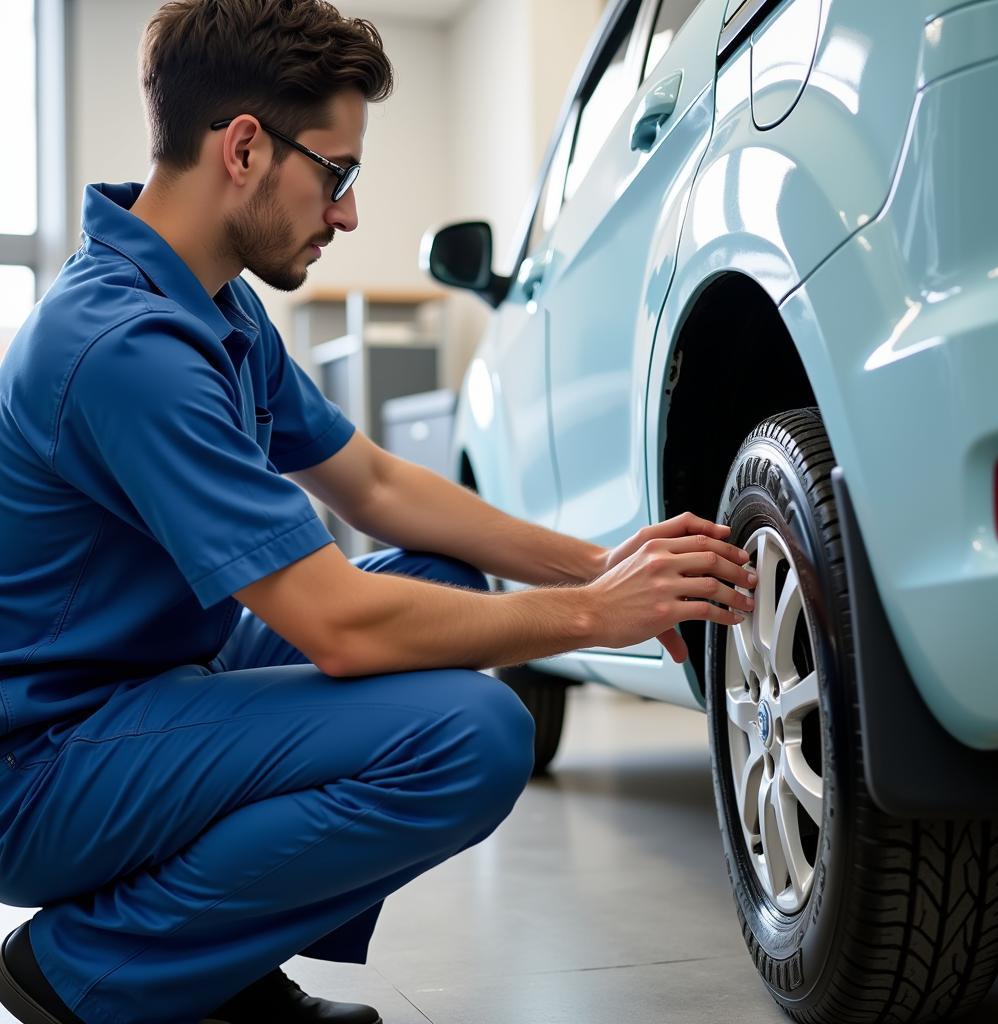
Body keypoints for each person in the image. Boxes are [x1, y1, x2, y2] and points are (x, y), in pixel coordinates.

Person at [0, 2, 758, 1022]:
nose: (347, 214)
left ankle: (202, 956)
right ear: (242, 149)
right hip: (46, 765)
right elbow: (338, 627)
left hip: (149, 689)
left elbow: (377, 486)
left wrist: (598, 562)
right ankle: (99, 967)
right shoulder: (125, 346)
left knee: (446, 586)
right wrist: (591, 618)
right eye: (338, 174)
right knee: (474, 734)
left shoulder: (210, 298)